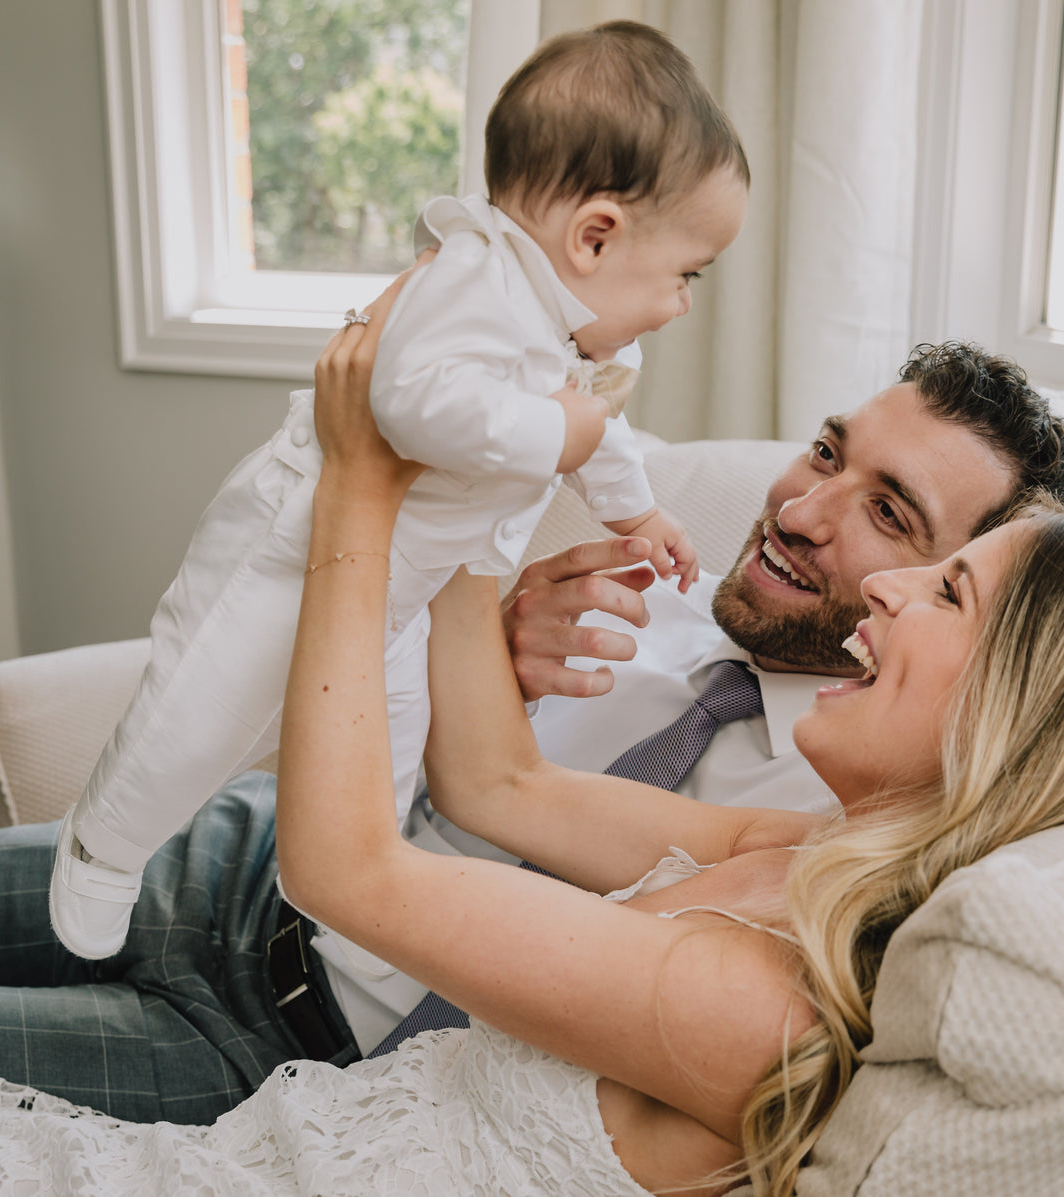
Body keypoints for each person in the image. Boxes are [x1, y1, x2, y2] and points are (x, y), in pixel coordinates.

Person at [0, 275, 1064, 1197]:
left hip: (276, 1055)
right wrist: (474, 527)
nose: (816, 523)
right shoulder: (796, 825)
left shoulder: (783, 970)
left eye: (922, 551)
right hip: (237, 867)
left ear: (1017, 705)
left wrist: (363, 495)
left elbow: (362, 871)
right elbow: (489, 779)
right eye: (825, 451)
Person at [49, 19, 746, 962]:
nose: (683, 305)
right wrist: (560, 432)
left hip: (401, 587)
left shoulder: (557, 331)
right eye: (684, 275)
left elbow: (598, 431)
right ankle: (105, 847)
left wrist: (640, 508)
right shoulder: (473, 283)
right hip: (295, 544)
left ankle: (350, 890)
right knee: (201, 706)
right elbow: (411, 403)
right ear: (594, 236)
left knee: (389, 743)